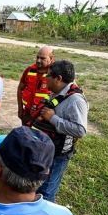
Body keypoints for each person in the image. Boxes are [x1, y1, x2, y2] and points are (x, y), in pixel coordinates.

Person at [31, 60, 89, 203]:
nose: (46, 78)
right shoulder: (58, 92)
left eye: (49, 75)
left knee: (47, 191)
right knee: (37, 186)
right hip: (45, 149)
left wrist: (53, 118)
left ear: (59, 79)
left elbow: (80, 130)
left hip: (58, 154)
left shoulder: (76, 100)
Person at [17, 46, 54, 126]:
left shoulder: (56, 73)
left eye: (42, 58)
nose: (38, 61)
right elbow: (20, 89)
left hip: (44, 116)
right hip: (27, 113)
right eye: (37, 57)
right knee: (25, 136)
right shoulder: (30, 70)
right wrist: (20, 109)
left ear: (51, 59)